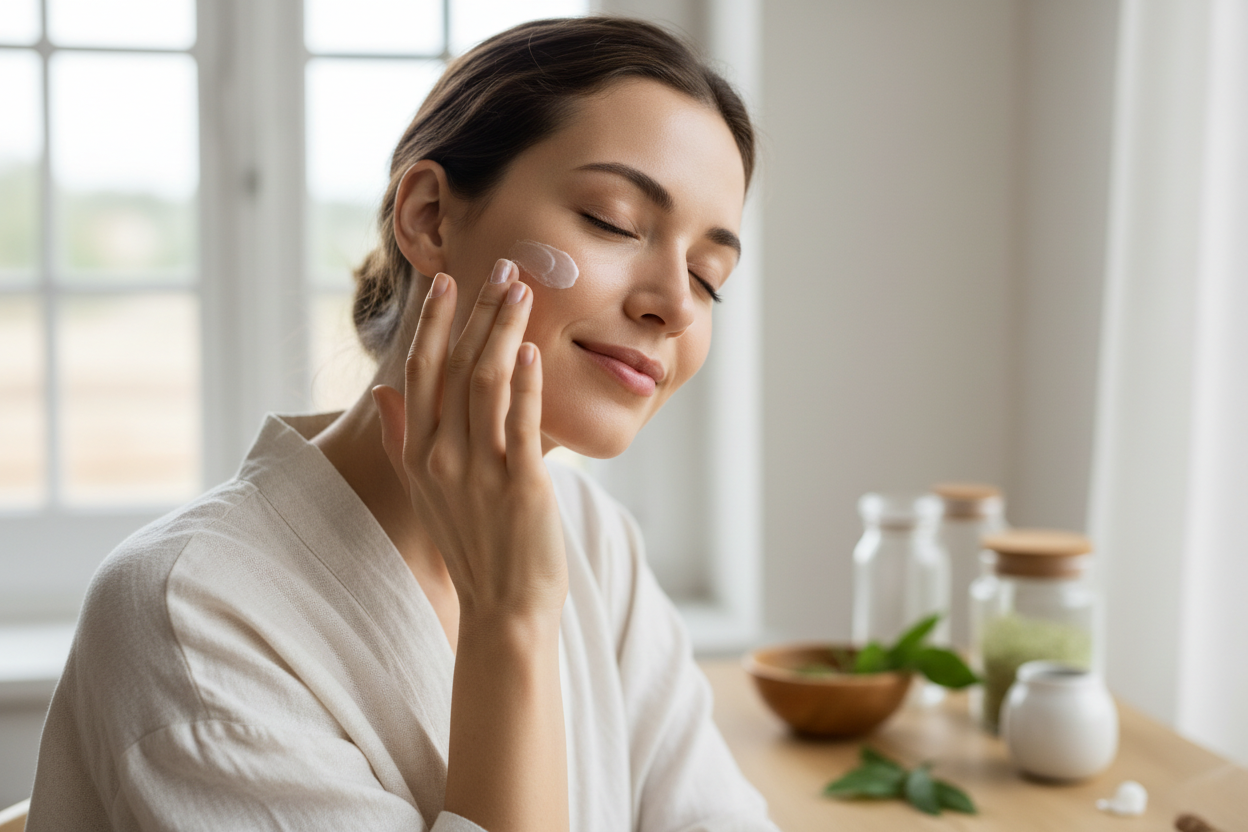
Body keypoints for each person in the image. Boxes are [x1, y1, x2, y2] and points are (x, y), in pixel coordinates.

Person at [28, 16, 777, 832]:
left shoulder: (595, 539)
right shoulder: (190, 615)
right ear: (429, 217)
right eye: (612, 220)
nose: (673, 305)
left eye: (709, 278)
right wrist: (513, 615)